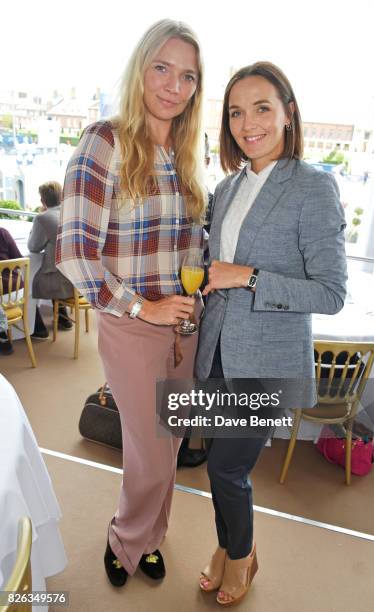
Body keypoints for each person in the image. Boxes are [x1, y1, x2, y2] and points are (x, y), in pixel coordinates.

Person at [56, 19, 205, 587]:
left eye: (187, 75)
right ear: (140, 69)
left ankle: (149, 537)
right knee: (148, 448)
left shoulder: (190, 151)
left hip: (185, 326)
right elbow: (74, 253)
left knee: (169, 444)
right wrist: (142, 307)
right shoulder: (105, 140)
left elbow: (191, 241)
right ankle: (126, 537)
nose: (173, 85)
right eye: (161, 68)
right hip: (134, 325)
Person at [195, 61, 347, 606]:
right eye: (236, 111)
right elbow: (214, 264)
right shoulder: (228, 186)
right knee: (218, 460)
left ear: (288, 114)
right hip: (214, 349)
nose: (247, 122)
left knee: (226, 466)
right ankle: (225, 546)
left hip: (269, 358)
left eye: (262, 107)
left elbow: (331, 293)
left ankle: (241, 556)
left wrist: (250, 278)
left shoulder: (314, 187)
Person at [28, 181, 73, 330]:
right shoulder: (71, 213)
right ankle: (61, 312)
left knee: (29, 281)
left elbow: (33, 247)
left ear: (42, 200)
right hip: (76, 276)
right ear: (61, 196)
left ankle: (37, 326)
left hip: (58, 279)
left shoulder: (43, 218)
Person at [0, 226, 48, 339]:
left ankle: (3, 337)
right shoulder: (3, 232)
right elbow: (18, 260)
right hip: (17, 294)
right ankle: (37, 328)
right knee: (29, 286)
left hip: (2, 297)